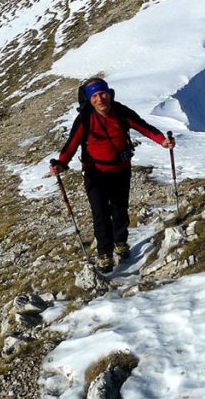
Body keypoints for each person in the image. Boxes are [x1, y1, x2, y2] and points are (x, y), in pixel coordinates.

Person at [49, 77, 175, 271]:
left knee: (119, 210)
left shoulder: (120, 111)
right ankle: (104, 253)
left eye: (103, 94)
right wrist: (61, 164)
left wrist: (162, 141)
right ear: (90, 99)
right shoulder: (85, 118)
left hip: (120, 170)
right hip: (94, 172)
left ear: (110, 94)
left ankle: (120, 242)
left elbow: (143, 127)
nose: (100, 99)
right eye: (95, 96)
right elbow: (72, 144)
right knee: (100, 213)